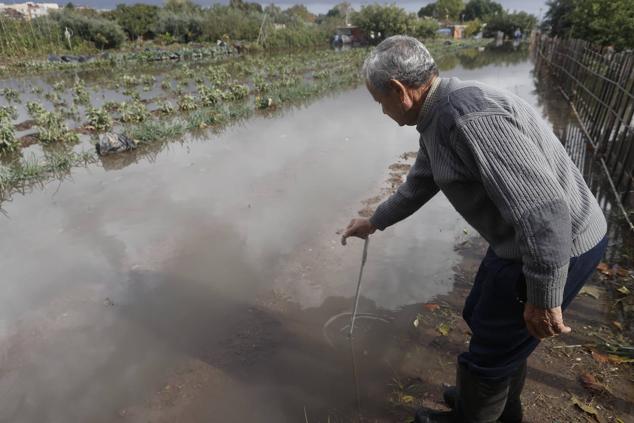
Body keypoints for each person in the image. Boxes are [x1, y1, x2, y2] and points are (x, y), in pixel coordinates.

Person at [341, 36, 607, 423]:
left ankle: (476, 412)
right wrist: (374, 221)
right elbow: (419, 183)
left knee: (493, 350)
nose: (382, 111)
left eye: (379, 101)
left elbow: (544, 211)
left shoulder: (466, 116)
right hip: (523, 240)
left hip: (559, 244)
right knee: (483, 314)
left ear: (399, 90)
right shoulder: (437, 115)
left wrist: (544, 294)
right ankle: (493, 406)